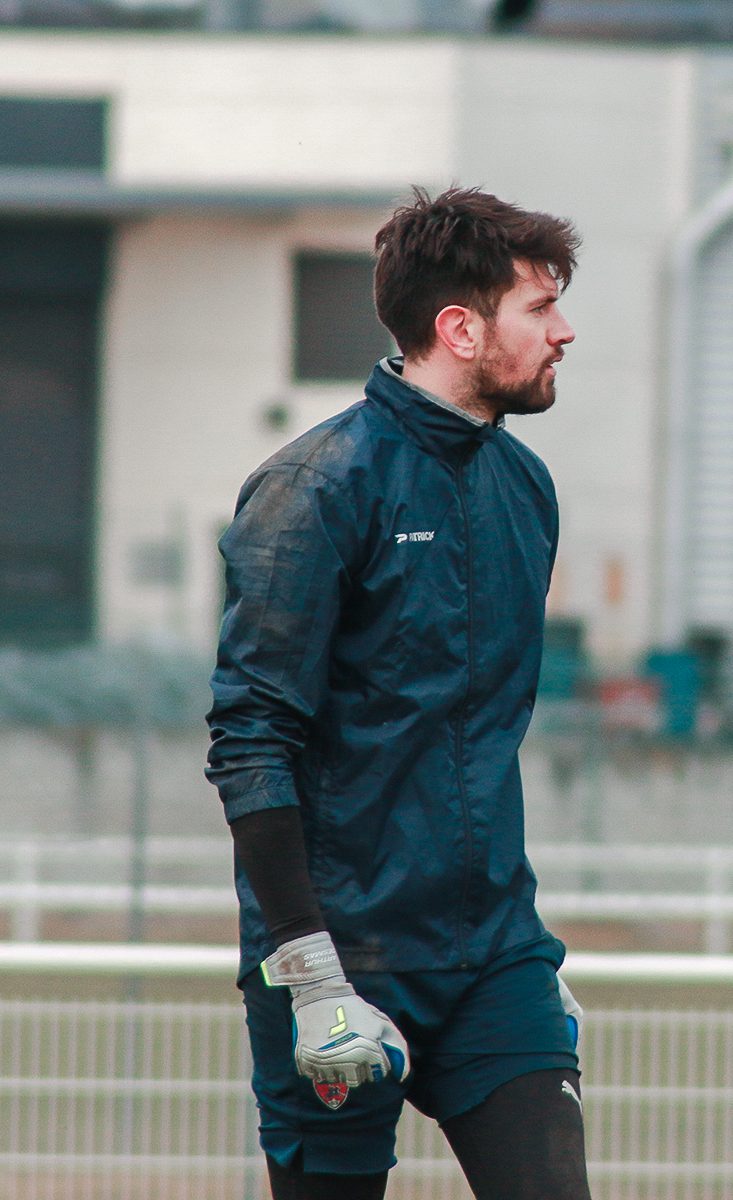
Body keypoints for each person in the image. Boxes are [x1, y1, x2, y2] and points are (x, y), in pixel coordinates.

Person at [206, 187, 587, 1200]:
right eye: (540, 309)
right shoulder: (316, 488)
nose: (564, 331)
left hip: (496, 956)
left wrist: (527, 957)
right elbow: (250, 739)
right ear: (459, 329)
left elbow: (477, 736)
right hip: (342, 956)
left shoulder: (526, 487)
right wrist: (308, 969)